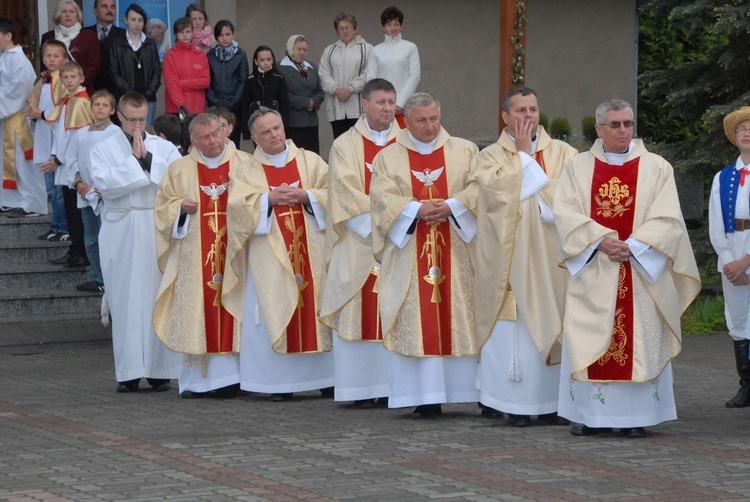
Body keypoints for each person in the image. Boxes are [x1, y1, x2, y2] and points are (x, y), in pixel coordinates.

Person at [553, 99, 700, 437]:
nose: (623, 131)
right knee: (591, 339)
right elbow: (565, 213)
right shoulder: (578, 167)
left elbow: (668, 218)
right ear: (599, 129)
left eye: (628, 124)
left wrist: (632, 246)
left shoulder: (656, 167)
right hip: (595, 268)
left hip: (638, 269)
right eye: (615, 125)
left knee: (640, 342)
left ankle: (636, 419)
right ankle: (590, 416)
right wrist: (600, 240)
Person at [471, 87, 578, 426]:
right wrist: (521, 157)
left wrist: (525, 170)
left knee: (556, 323)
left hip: (551, 262)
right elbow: (491, 199)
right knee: (511, 332)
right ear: (505, 116)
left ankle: (554, 404)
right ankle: (513, 404)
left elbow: (570, 200)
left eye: (533, 109)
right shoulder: (488, 156)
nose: (528, 116)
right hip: (509, 261)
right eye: (520, 111)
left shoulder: (564, 153)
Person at [370, 92, 480, 417]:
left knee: (458, 312)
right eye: (421, 120)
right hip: (410, 254)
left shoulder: (465, 150)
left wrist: (452, 206)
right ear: (407, 121)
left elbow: (479, 189)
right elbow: (380, 199)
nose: (430, 126)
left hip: (457, 251)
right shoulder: (388, 157)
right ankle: (424, 396)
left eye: (434, 118)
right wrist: (416, 210)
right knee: (417, 316)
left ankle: (465, 392)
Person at [223, 107, 333, 402]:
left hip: (312, 250)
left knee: (316, 306)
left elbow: (333, 192)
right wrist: (266, 200)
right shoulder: (246, 171)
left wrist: (308, 196)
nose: (274, 135)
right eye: (266, 132)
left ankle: (327, 378)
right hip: (269, 257)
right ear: (255, 138)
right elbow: (235, 210)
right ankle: (278, 384)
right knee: (272, 308)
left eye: (277, 127)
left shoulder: (310, 161)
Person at [90, 91, 181, 393]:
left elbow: (176, 180)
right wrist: (137, 163)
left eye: (143, 119)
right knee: (124, 297)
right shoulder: (101, 147)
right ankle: (128, 371)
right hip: (122, 227)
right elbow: (105, 184)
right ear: (119, 116)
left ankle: (159, 371)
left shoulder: (163, 147)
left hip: (154, 226)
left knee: (158, 295)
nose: (138, 126)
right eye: (132, 120)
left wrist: (148, 159)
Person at [154, 113, 250, 398]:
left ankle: (240, 378)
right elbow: (162, 209)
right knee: (199, 310)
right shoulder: (179, 169)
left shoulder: (245, 164)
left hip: (236, 255)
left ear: (224, 131)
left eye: (216, 134)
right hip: (196, 257)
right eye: (205, 138)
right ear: (193, 141)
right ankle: (199, 383)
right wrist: (180, 208)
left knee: (237, 307)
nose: (213, 141)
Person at [319, 78, 400, 407]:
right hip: (359, 240)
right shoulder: (345, 145)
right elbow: (343, 192)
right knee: (358, 309)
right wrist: (380, 226)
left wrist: (398, 224)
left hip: (399, 240)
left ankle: (395, 386)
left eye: (392, 102)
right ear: (364, 105)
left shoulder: (406, 143)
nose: (387, 108)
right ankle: (360, 390)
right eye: (380, 102)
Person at [709, 106, 750, 408]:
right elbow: (715, 222)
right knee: (737, 320)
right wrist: (729, 262)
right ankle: (746, 385)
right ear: (734, 137)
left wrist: (747, 260)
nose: (747, 133)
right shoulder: (723, 178)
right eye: (741, 129)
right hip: (731, 250)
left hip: (748, 253)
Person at [68, 89, 118, 293]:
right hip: (85, 194)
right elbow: (71, 159)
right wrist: (79, 182)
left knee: (107, 237)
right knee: (91, 237)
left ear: (112, 110)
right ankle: (95, 276)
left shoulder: (115, 133)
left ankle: (109, 278)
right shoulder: (81, 133)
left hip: (103, 194)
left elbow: (117, 163)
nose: (100, 108)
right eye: (96, 104)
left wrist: (99, 187)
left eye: (105, 105)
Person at [45, 61, 92, 269]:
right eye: (65, 78)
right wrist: (56, 154)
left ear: (81, 78)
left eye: (73, 77)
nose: (69, 81)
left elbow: (76, 136)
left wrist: (59, 158)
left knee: (75, 209)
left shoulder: (81, 102)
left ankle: (80, 251)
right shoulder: (68, 100)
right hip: (65, 162)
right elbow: (61, 132)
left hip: (73, 164)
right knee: (71, 208)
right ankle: (75, 248)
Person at [0, 17, 46, 218]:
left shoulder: (19, 60)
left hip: (17, 118)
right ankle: (11, 199)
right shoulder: (4, 57)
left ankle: (32, 203)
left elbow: (18, 90)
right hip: (6, 118)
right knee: (8, 160)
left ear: (8, 36)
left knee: (22, 162)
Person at [26, 40, 69, 240]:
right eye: (47, 56)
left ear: (65, 59)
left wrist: (41, 114)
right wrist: (33, 113)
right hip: (44, 137)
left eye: (56, 56)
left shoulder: (64, 81)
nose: (51, 60)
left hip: (57, 138)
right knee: (51, 188)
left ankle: (65, 227)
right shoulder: (43, 80)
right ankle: (56, 225)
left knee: (61, 189)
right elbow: (33, 103)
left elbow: (62, 108)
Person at [318, 12, 372, 139]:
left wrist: (351, 89)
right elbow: (323, 74)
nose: (345, 31)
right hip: (337, 110)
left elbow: (369, 73)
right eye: (341, 28)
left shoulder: (367, 49)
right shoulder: (329, 51)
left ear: (355, 28)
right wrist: (336, 89)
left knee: (360, 144)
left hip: (358, 108)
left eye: (348, 27)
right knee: (340, 144)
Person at [366, 6, 420, 129]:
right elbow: (371, 79)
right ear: (383, 28)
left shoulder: (410, 47)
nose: (393, 28)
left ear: (402, 26)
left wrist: (399, 103)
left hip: (404, 107)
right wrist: (381, 102)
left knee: (404, 141)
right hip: (382, 107)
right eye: (389, 24)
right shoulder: (376, 50)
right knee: (383, 143)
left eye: (396, 24)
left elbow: (415, 76)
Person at [109, 3, 161, 125]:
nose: (137, 24)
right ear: (126, 20)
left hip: (148, 100)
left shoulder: (150, 44)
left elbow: (156, 71)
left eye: (140, 20)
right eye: (133, 20)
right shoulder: (117, 43)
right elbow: (113, 72)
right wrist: (129, 92)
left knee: (146, 135)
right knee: (126, 136)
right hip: (124, 99)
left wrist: (149, 93)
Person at [277, 35, 325, 154]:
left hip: (312, 122)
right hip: (294, 122)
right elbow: (283, 95)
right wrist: (306, 102)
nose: (302, 53)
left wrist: (314, 102)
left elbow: (320, 91)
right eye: (299, 49)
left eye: (304, 50)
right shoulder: (280, 68)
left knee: (312, 158)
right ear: (290, 49)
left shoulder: (311, 67)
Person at [41, 0, 100, 92]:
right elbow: (44, 65)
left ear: (78, 16)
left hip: (82, 89)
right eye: (63, 11)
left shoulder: (90, 36)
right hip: (54, 89)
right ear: (58, 16)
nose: (68, 15)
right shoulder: (48, 37)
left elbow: (94, 67)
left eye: (72, 11)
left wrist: (75, 82)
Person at [206, 20, 248, 149]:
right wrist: (214, 100)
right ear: (216, 37)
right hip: (215, 105)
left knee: (233, 142)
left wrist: (233, 102)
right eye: (221, 35)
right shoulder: (210, 55)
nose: (224, 38)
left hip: (235, 106)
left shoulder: (240, 55)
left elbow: (243, 80)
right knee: (214, 138)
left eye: (227, 34)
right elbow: (207, 81)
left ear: (233, 34)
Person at [163, 17, 210, 115]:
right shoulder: (170, 55)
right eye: (181, 32)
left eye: (188, 31)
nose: (185, 35)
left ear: (193, 32)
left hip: (197, 108)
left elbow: (205, 82)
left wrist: (180, 83)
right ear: (176, 34)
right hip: (175, 108)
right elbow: (171, 84)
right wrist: (181, 105)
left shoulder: (201, 56)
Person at [241, 45, 289, 140]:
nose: (266, 63)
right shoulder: (250, 80)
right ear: (256, 61)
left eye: (268, 59)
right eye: (262, 60)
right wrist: (246, 131)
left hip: (275, 123)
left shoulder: (279, 78)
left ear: (272, 60)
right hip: (257, 124)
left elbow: (285, 104)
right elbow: (245, 105)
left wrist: (285, 126)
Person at [84, 0, 124, 97]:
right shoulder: (84, 34)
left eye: (113, 7)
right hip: (88, 91)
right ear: (95, 11)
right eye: (105, 6)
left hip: (117, 94)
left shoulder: (124, 36)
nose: (109, 10)